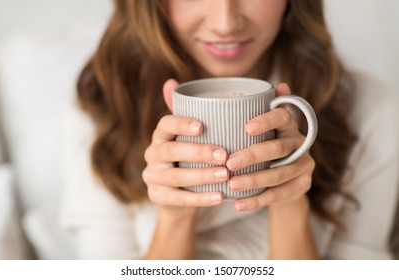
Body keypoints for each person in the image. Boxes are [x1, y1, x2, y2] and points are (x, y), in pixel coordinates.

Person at [60, 0, 399, 259]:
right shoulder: (103, 109)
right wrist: (175, 215)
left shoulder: (371, 112)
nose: (225, 24)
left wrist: (290, 204)